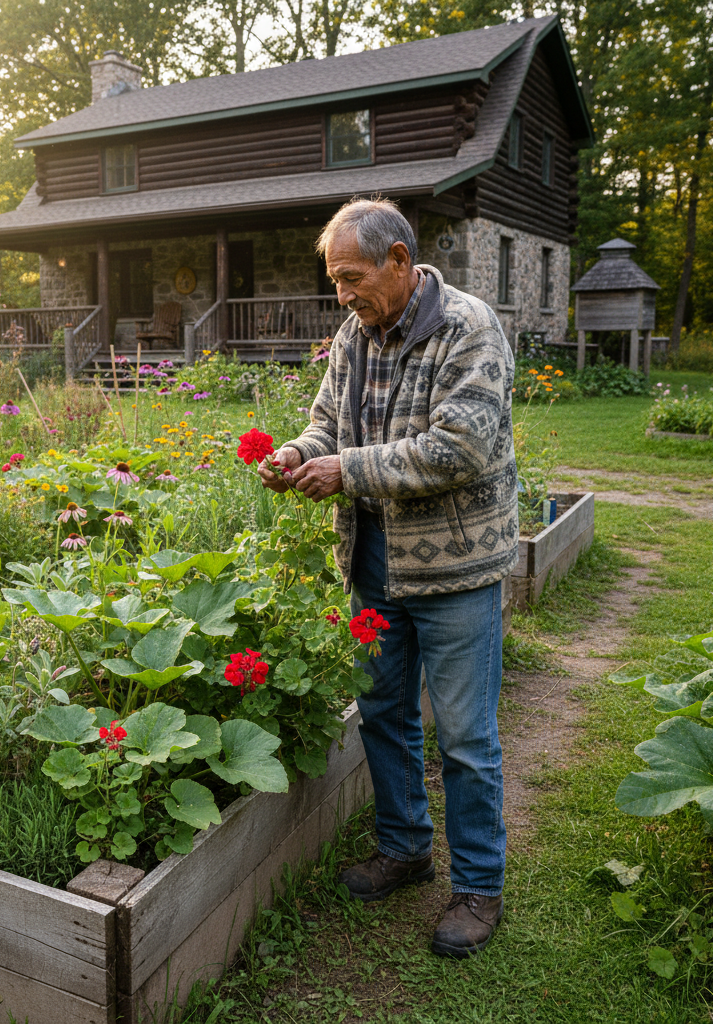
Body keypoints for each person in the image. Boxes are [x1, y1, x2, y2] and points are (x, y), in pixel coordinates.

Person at [258, 197, 518, 959]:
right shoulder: (355, 332)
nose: (342, 294)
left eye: (352, 277)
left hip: (457, 566)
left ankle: (479, 886)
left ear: (399, 260)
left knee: (465, 737)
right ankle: (405, 849)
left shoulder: (469, 328)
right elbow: (327, 421)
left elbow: (458, 449)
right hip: (374, 556)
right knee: (382, 712)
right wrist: (300, 453)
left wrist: (347, 470)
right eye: (335, 280)